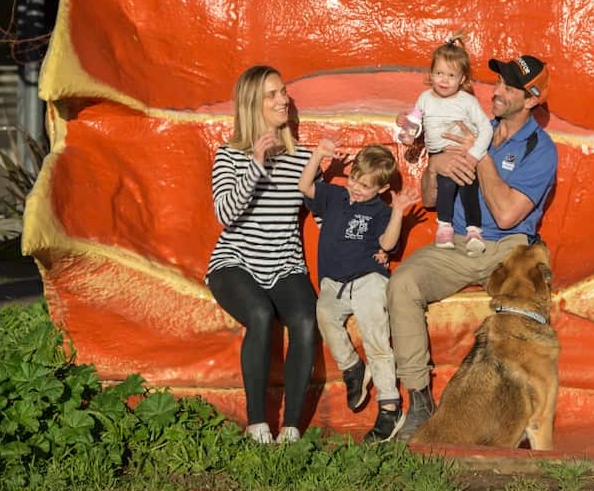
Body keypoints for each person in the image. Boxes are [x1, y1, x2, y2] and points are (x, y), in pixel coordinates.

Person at [387, 53, 558, 441]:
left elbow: (507, 216)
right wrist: (436, 165)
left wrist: (478, 156)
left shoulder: (541, 149)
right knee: (403, 283)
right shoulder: (472, 124)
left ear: (530, 99)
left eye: (508, 88)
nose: (496, 92)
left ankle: (519, 416)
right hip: (459, 241)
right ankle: (419, 401)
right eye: (496, 83)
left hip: (507, 249)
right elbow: (431, 200)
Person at [206, 65, 317, 445]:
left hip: (284, 260)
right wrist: (255, 163)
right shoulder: (229, 156)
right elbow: (225, 214)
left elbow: (323, 213)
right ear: (254, 103)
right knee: (260, 313)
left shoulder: (301, 158)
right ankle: (256, 423)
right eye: (272, 94)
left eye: (283, 91)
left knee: (305, 319)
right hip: (235, 261)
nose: (283, 99)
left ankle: (291, 428)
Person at [298, 140, 418, 443]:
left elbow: (388, 245)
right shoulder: (336, 195)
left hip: (368, 279)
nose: (356, 188)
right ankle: (352, 367)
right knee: (323, 315)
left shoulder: (380, 210)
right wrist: (318, 156)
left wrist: (398, 212)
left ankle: (390, 407)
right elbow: (305, 186)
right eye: (354, 179)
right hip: (334, 284)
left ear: (380, 189)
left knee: (376, 338)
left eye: (365, 186)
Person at [405, 37, 493, 254]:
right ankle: (444, 227)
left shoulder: (467, 101)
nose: (444, 80)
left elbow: (486, 128)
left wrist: (473, 155)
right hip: (439, 154)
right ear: (431, 73)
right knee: (444, 186)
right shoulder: (425, 98)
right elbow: (414, 118)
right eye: (439, 73)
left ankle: (474, 230)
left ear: (462, 79)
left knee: (468, 187)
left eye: (451, 75)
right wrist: (407, 134)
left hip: (464, 154)